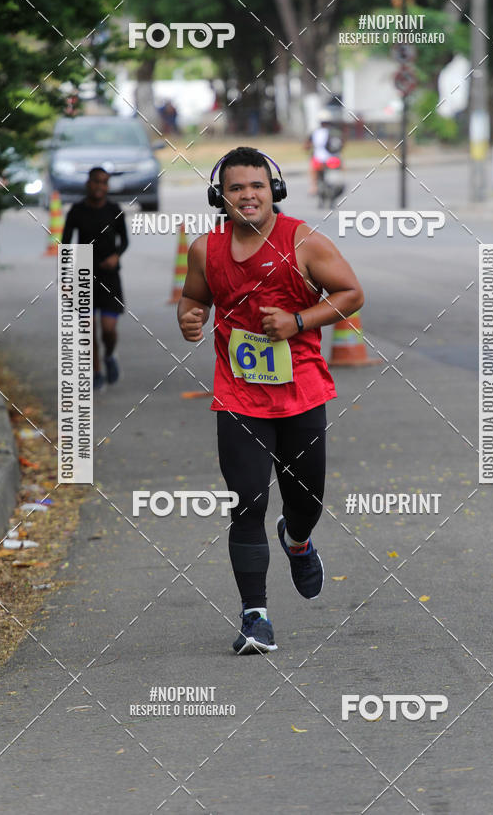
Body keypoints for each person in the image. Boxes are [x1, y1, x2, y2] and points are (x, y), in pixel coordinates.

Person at [178, 146, 364, 655]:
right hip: (238, 395)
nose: (248, 195)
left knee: (306, 503)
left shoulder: (302, 242)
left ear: (274, 190)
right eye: (236, 187)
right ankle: (254, 616)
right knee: (246, 502)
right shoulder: (205, 250)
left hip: (301, 393)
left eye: (257, 185)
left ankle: (297, 540)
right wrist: (189, 317)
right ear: (220, 196)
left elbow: (351, 293)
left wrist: (297, 322)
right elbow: (194, 297)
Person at [61, 167, 128, 390]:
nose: (100, 186)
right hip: (83, 271)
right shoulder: (76, 211)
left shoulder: (114, 210)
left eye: (104, 182)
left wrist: (116, 256)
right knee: (87, 330)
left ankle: (110, 355)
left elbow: (124, 241)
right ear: (88, 183)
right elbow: (66, 245)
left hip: (109, 275)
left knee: (108, 329)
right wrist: (66, 280)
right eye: (96, 181)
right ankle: (96, 371)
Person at [305, 110, 344, 195]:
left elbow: (307, 145)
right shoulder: (336, 132)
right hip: (334, 159)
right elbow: (342, 145)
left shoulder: (316, 132)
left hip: (319, 159)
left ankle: (314, 187)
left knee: (312, 168)